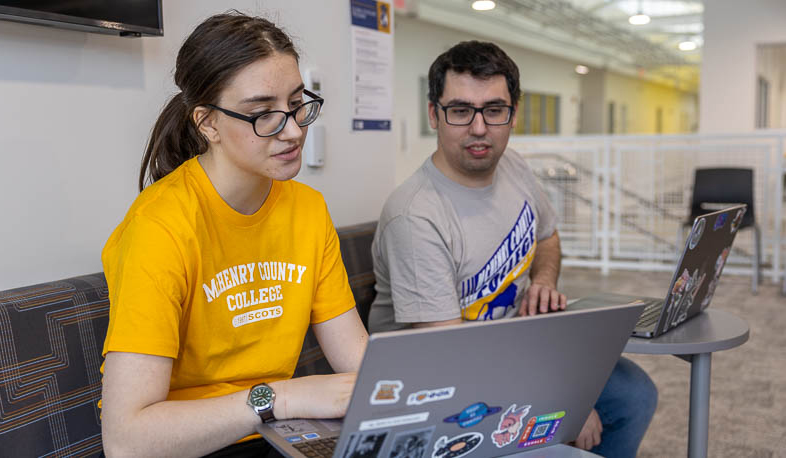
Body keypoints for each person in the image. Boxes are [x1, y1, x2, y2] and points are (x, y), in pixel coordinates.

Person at [368, 40, 657, 458]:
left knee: (634, 394)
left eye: (494, 110)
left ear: (513, 113)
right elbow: (450, 358)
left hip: (516, 351)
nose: (480, 127)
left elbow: (547, 237)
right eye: (461, 110)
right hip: (437, 388)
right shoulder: (416, 216)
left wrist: (542, 279)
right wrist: (567, 402)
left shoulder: (514, 167)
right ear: (434, 114)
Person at [99, 12, 368, 457]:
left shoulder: (308, 210)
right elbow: (127, 442)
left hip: (283, 434)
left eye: (298, 103)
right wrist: (280, 397)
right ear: (207, 123)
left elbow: (358, 362)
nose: (294, 130)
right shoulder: (160, 225)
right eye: (263, 114)